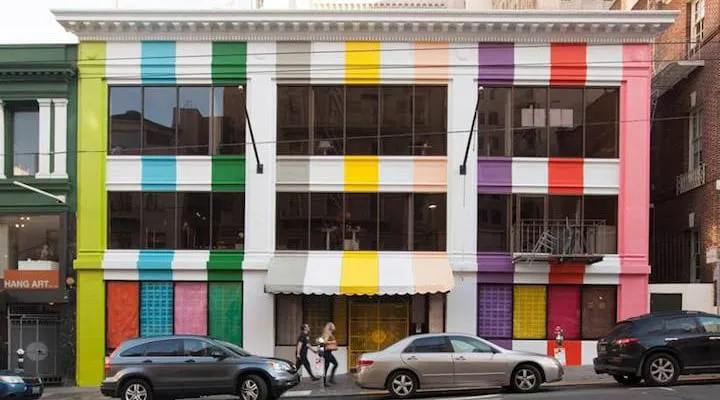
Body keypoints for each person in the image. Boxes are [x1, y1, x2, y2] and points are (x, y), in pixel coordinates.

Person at [321, 322, 338, 386]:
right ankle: (330, 379)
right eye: (333, 326)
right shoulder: (328, 333)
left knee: (326, 367)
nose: (334, 327)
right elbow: (324, 342)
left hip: (327, 352)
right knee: (335, 364)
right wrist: (332, 342)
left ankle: (325, 382)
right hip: (327, 352)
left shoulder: (328, 333)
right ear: (330, 327)